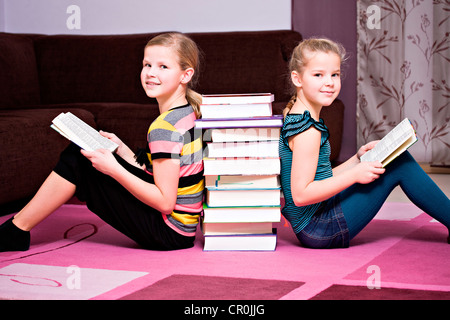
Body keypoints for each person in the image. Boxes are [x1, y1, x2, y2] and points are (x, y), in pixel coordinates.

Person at [0, 32, 204, 252]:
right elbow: (165, 175)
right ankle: (16, 229)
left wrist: (114, 169)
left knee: (78, 158)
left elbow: (165, 202)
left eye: (163, 67)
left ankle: (15, 231)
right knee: (87, 152)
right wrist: (122, 151)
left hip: (167, 232)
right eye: (147, 64)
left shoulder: (165, 127)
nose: (151, 73)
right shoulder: (187, 113)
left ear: (185, 75)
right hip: (183, 229)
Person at [279, 37, 450, 249]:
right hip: (320, 228)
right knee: (400, 163)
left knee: (394, 158)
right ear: (298, 79)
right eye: (318, 75)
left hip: (317, 219)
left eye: (335, 74)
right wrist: (355, 175)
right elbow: (301, 195)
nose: (329, 82)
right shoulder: (308, 130)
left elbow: (320, 177)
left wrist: (356, 160)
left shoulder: (300, 117)